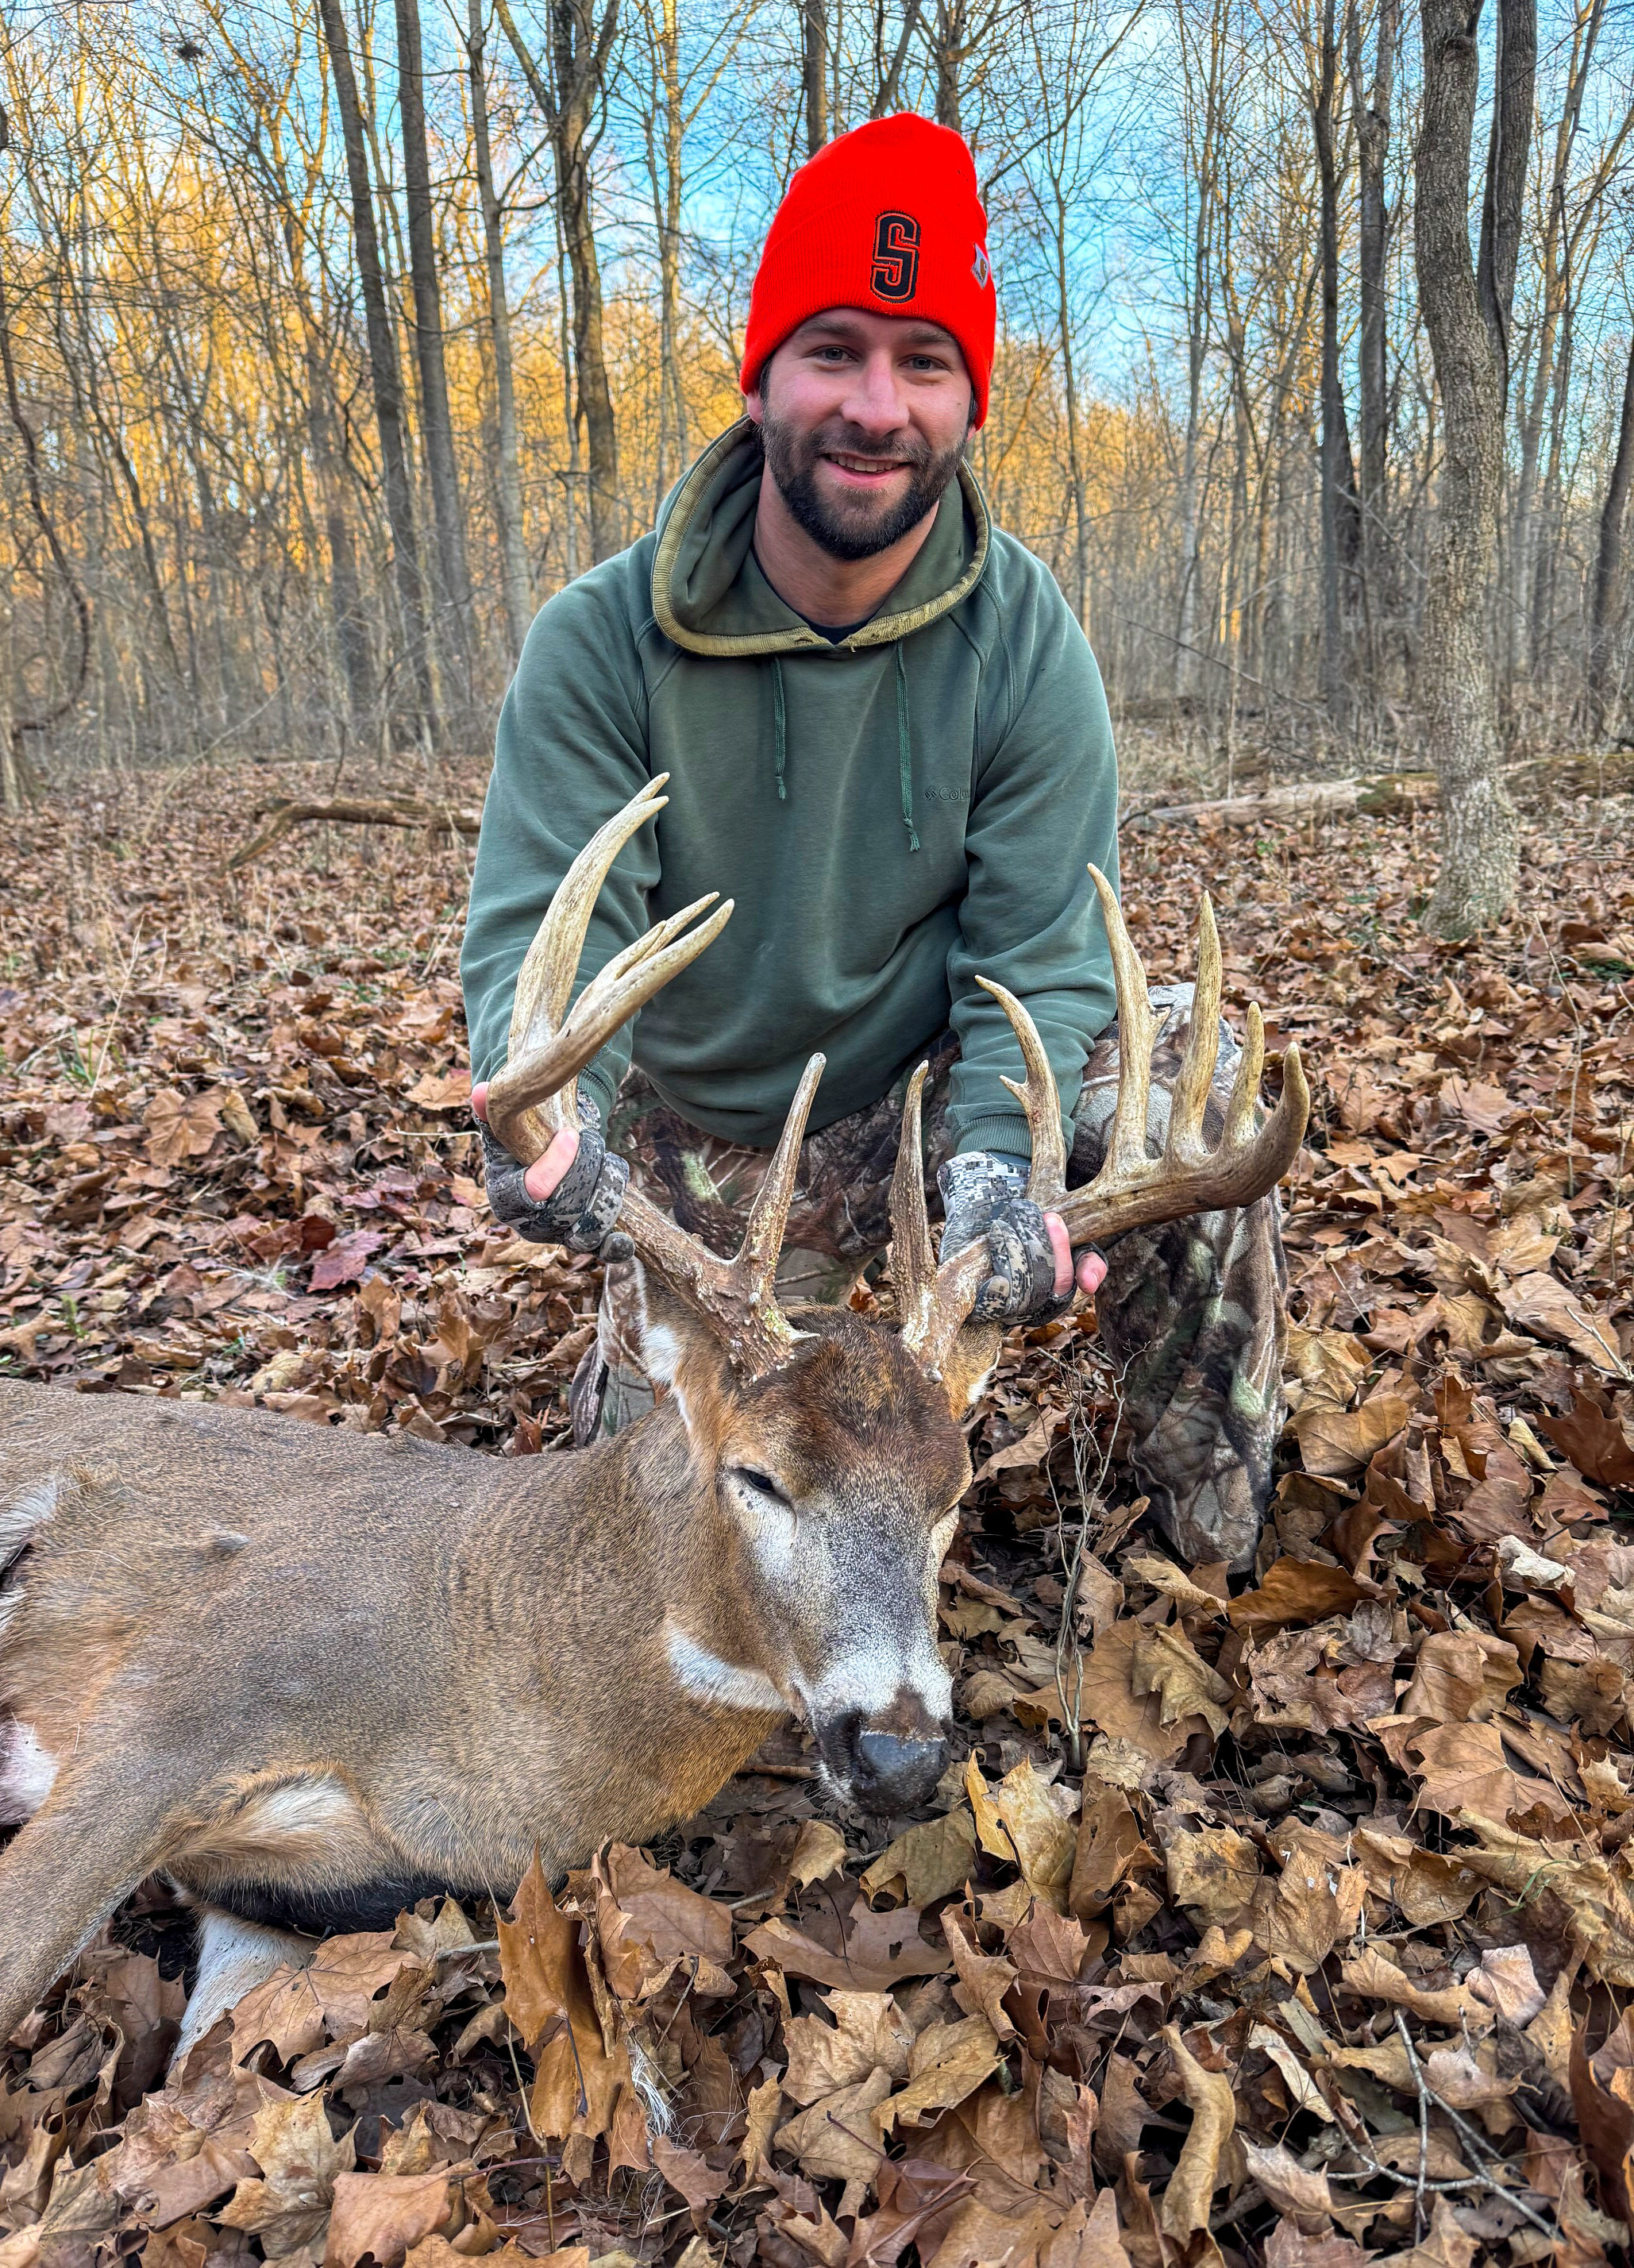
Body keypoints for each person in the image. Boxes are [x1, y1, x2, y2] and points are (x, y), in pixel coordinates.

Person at [461, 113, 1285, 1569]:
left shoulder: (1024, 644)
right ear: (762, 373)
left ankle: (1207, 1553)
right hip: (703, 1142)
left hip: (926, 1099)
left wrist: (997, 1170)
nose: (875, 406)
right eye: (833, 349)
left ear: (967, 403)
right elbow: (549, 926)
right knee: (635, 1557)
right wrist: (551, 1118)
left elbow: (1035, 948)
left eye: (923, 363)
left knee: (1189, 1088)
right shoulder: (604, 639)